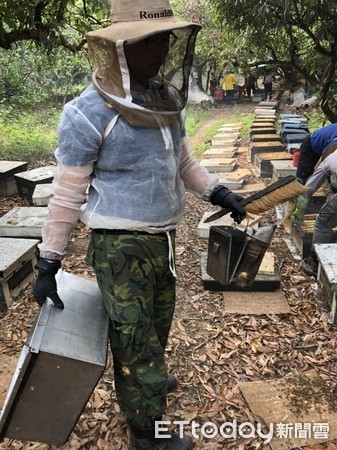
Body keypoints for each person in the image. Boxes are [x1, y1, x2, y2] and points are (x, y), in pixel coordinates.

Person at [32, 1, 246, 449]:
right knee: (134, 337)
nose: (162, 50)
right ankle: (146, 433)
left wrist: (218, 192)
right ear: (120, 47)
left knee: (155, 327)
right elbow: (68, 190)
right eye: (150, 41)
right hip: (119, 247)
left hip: (163, 241)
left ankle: (143, 388)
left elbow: (183, 163)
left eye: (166, 39)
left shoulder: (165, 101)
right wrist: (48, 260)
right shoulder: (86, 113)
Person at [292, 148, 337, 277]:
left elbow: (310, 186)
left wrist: (300, 208)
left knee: (322, 224)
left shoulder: (329, 160)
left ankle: (316, 263)